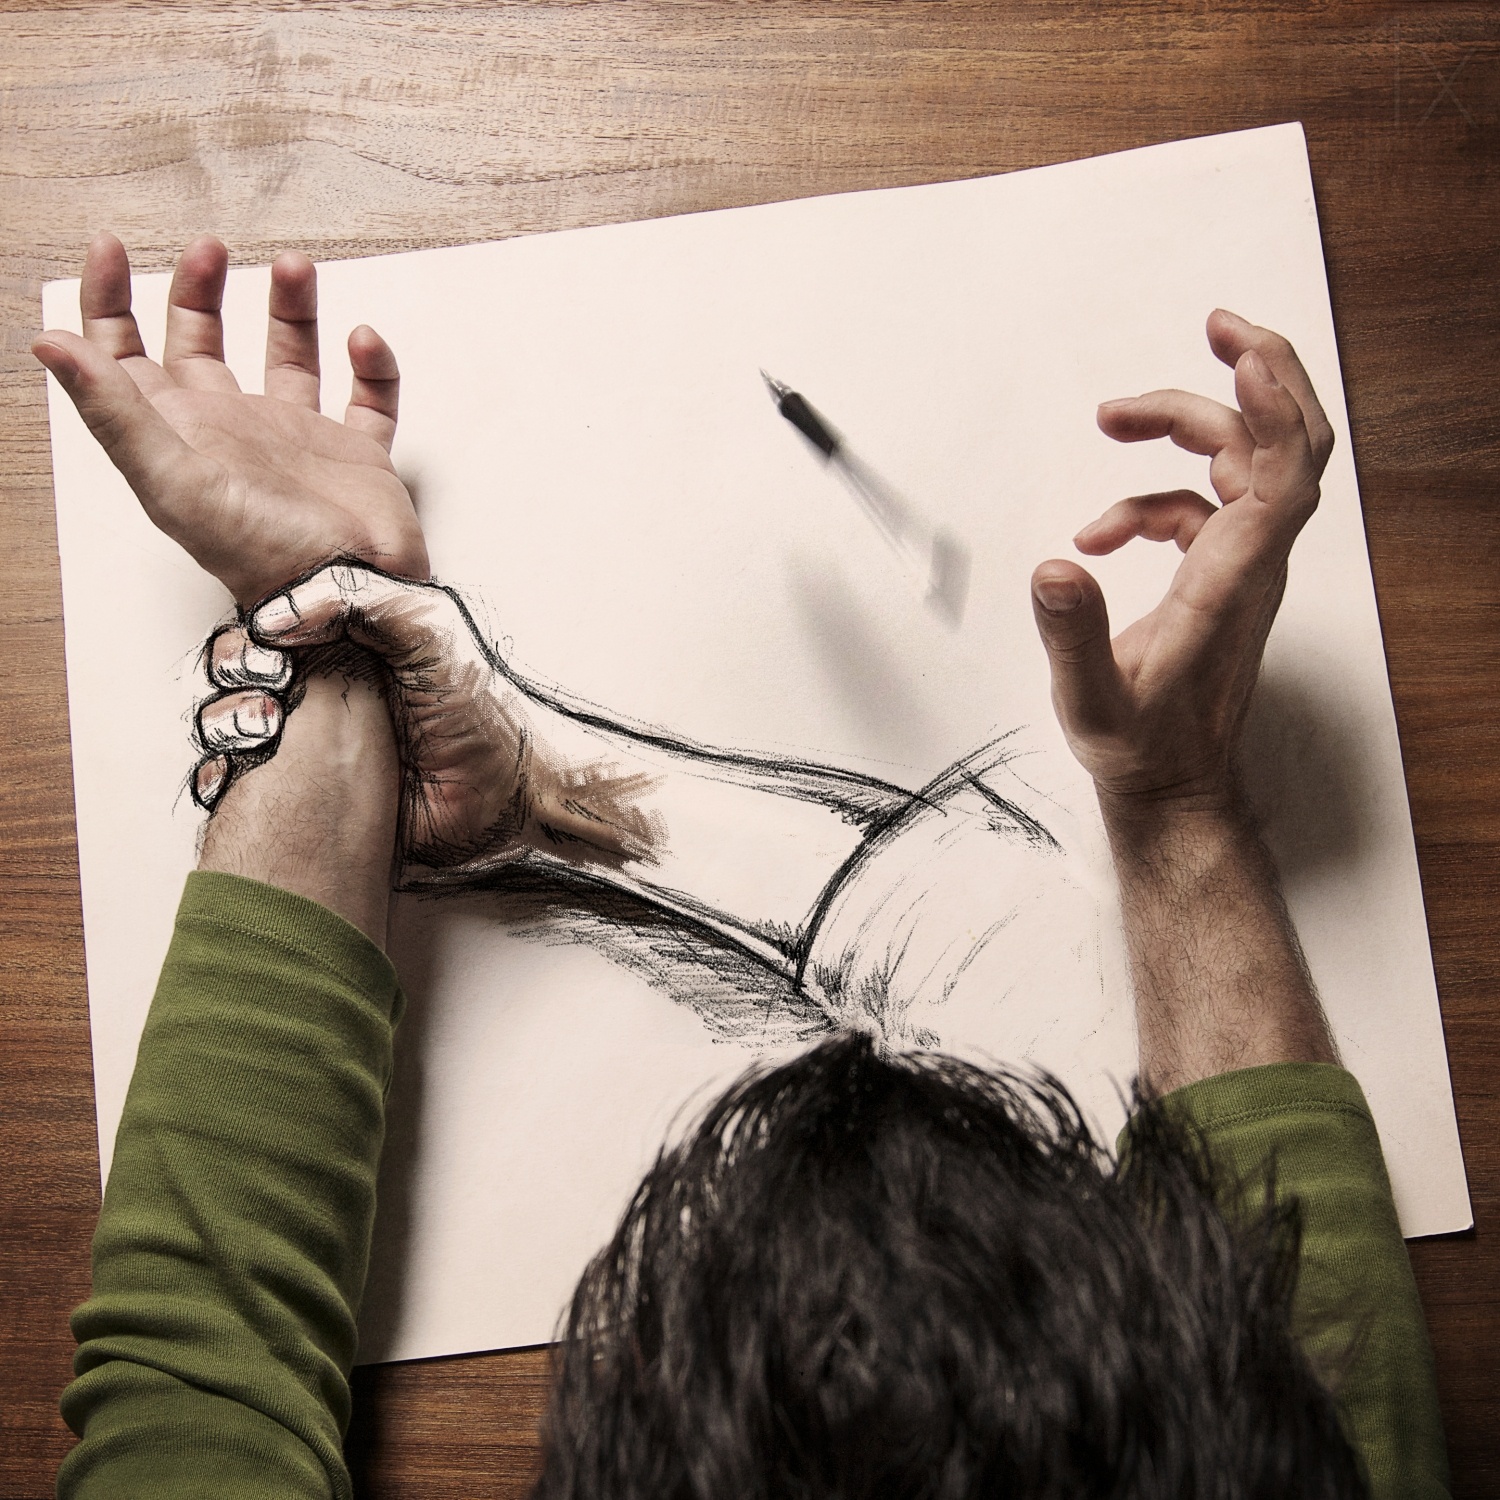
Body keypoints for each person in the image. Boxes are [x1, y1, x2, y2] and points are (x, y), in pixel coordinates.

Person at [34, 233, 1449, 1499]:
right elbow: (1277, 1312)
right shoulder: (1286, 1445)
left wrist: (331, 627)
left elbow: (204, 1375)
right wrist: (1177, 802)